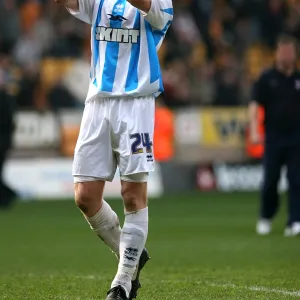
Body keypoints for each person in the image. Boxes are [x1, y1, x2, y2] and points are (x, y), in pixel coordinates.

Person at [55, 0, 173, 299]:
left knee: (132, 195)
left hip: (135, 103)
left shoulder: (162, 3)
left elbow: (148, 8)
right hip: (98, 102)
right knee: (84, 197)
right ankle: (131, 252)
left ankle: (122, 283)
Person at [249, 35, 300, 237]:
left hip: (297, 138)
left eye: (289, 51)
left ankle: (295, 220)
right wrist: (254, 130)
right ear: (277, 53)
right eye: (283, 51)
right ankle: (266, 216)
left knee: (297, 180)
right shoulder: (266, 78)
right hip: (274, 137)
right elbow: (254, 105)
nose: (286, 55)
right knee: (271, 180)